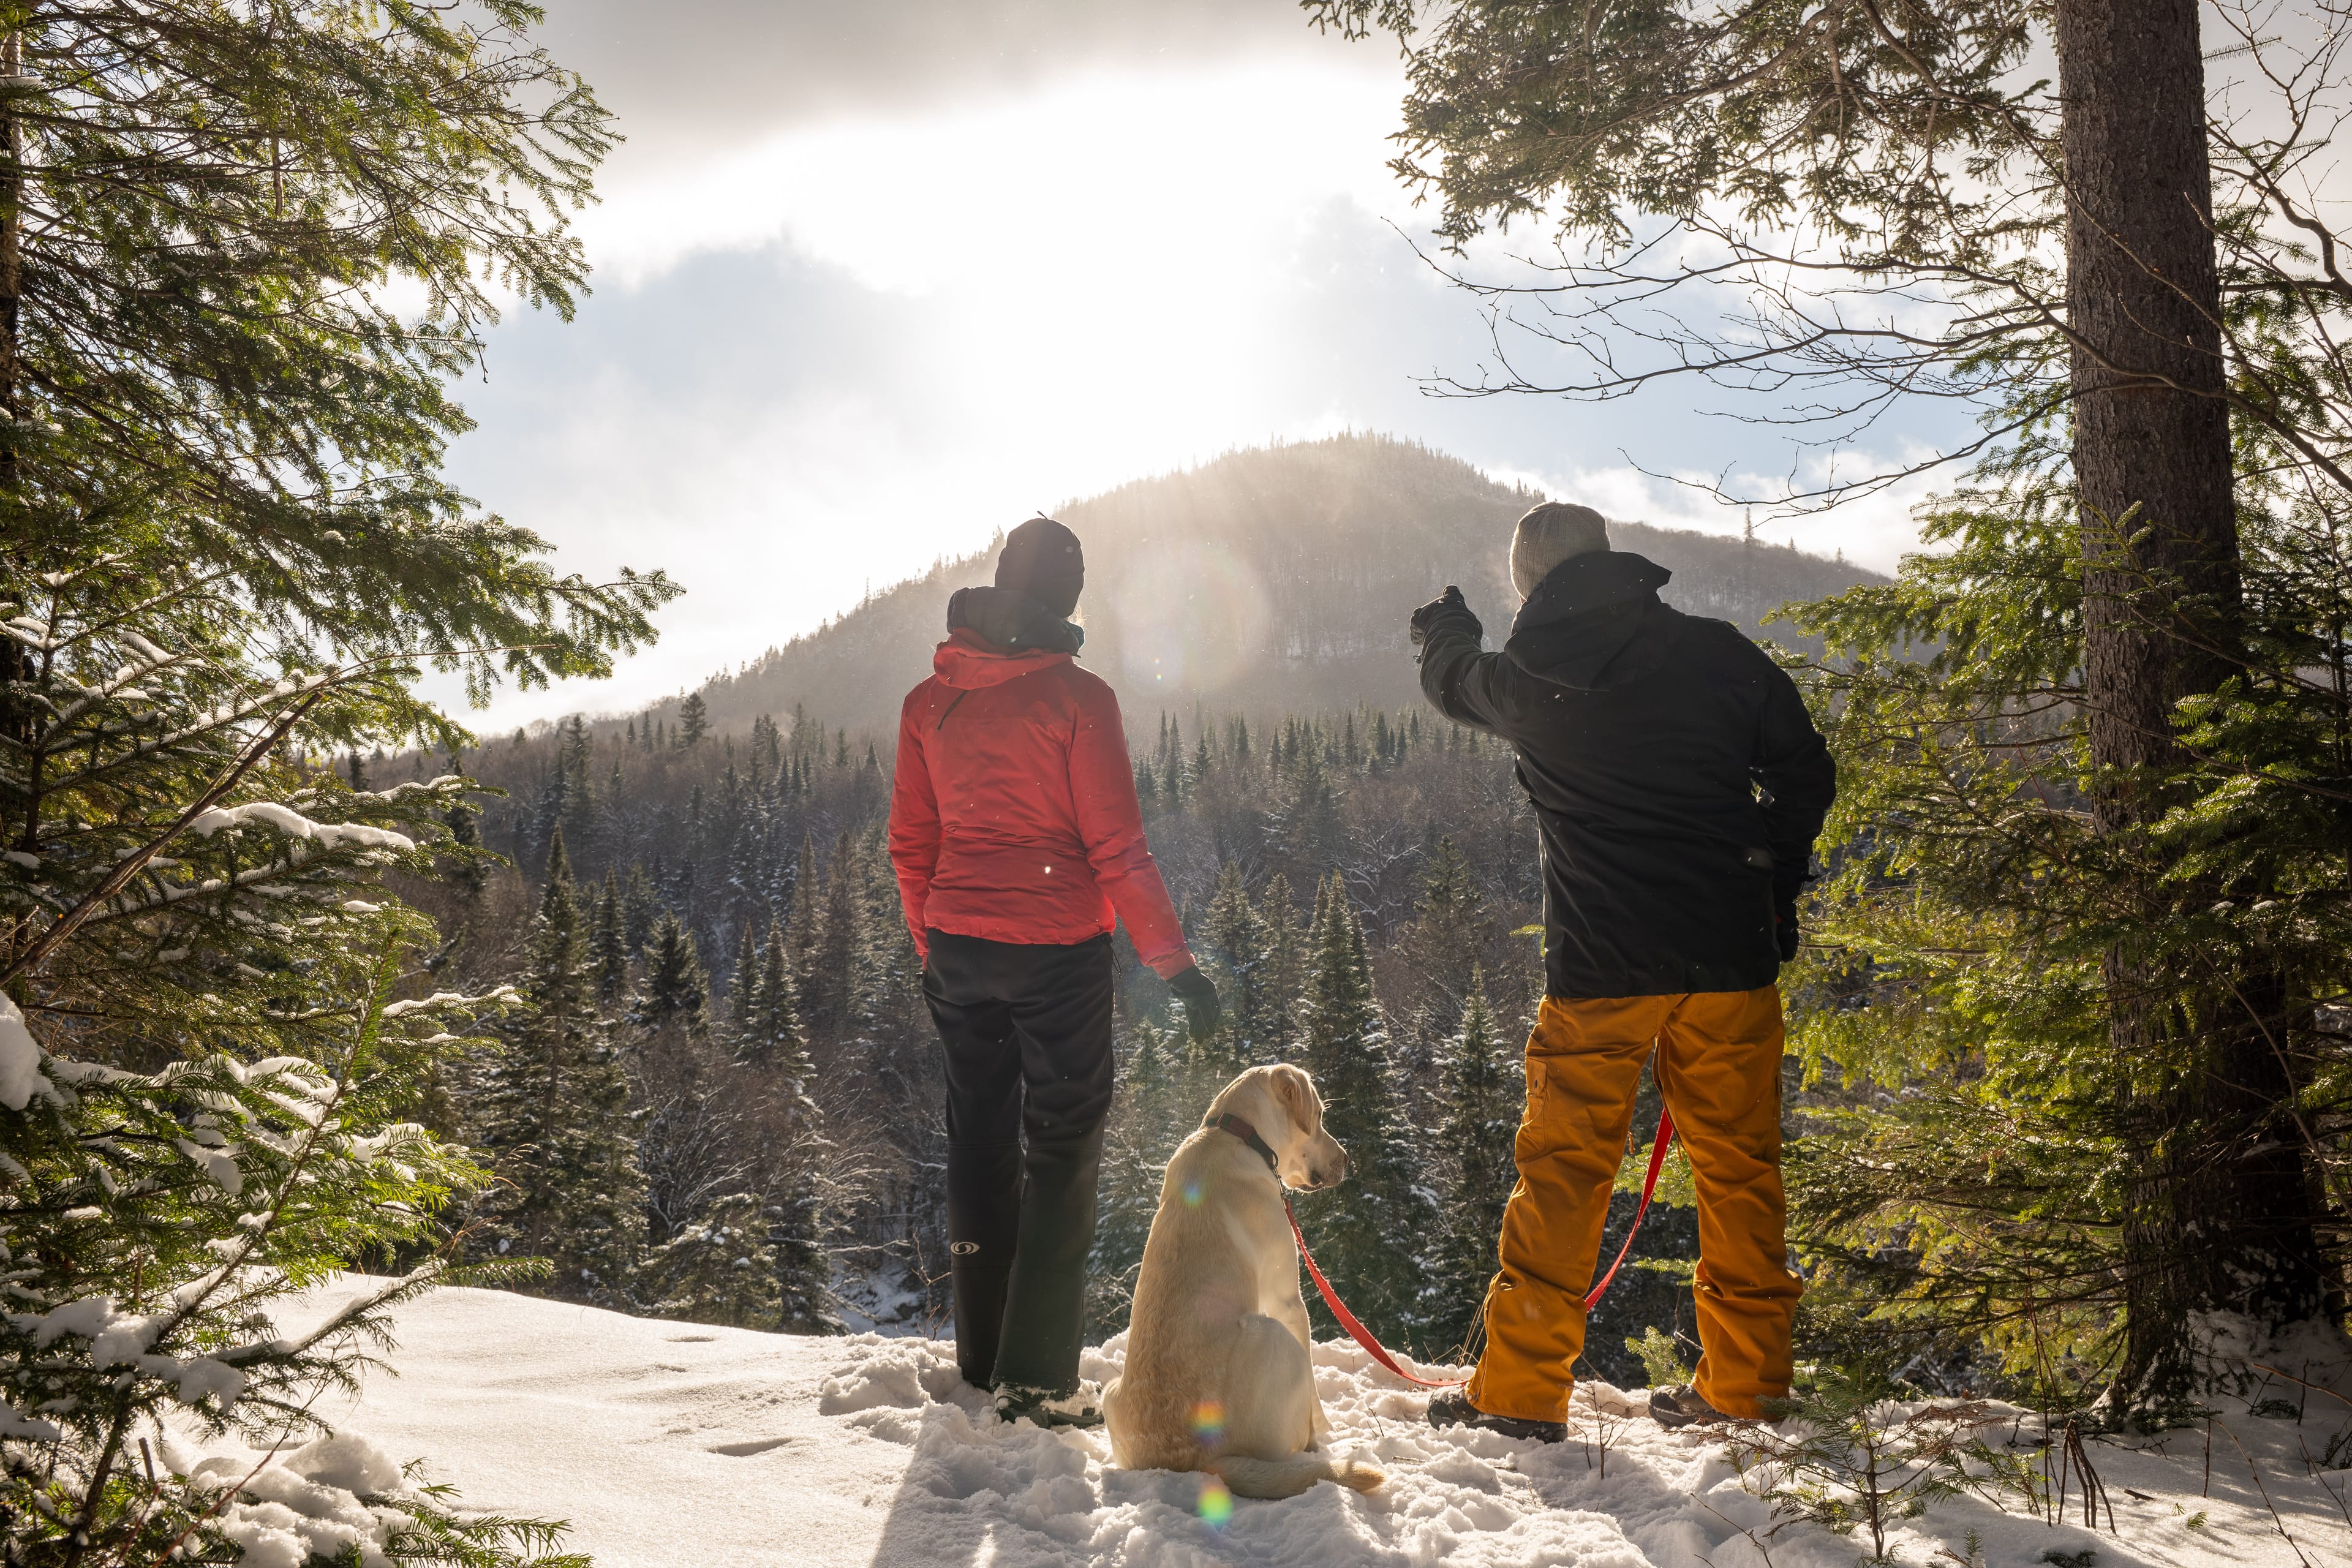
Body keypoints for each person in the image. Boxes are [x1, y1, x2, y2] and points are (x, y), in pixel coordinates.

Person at [1409, 502, 1835, 1440]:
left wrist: (1444, 627)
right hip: (1728, 955)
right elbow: (1806, 772)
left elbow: (1449, 681)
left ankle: (1520, 1396)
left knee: (1564, 1176)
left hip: (1601, 966)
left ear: (1529, 583)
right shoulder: (1718, 656)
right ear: (1612, 559)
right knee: (1740, 1174)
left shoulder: (1528, 681)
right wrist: (1774, 880)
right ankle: (1749, 1387)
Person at [888, 515, 1221, 1429]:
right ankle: (1037, 1380)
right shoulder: (1080, 699)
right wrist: (1174, 966)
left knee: (979, 1138)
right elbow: (1117, 848)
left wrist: (935, 946)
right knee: (1064, 1148)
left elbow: (910, 847)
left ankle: (982, 1357)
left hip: (958, 946)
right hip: (1056, 952)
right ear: (1067, 598)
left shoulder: (930, 701)